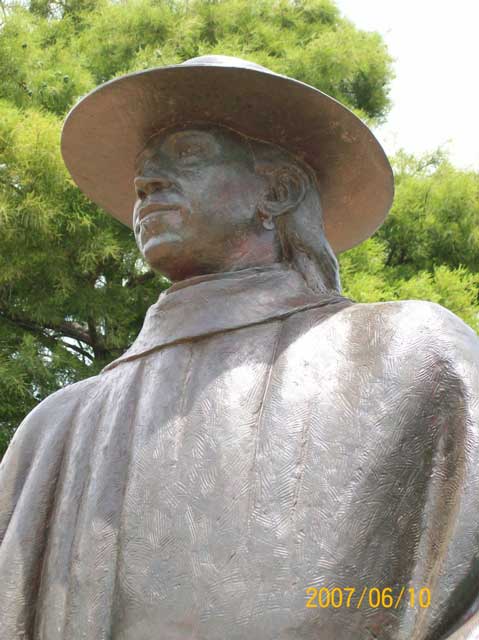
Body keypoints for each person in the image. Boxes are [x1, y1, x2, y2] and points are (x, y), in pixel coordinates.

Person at [0, 55, 478, 640]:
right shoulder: (56, 432)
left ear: (277, 190)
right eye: (142, 176)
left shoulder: (410, 355)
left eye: (188, 155)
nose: (146, 183)